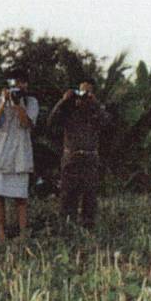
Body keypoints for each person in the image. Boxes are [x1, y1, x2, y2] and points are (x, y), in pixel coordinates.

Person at [49, 79, 112, 228]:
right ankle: (66, 228)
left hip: (90, 159)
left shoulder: (95, 114)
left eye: (87, 92)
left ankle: (88, 229)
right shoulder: (69, 112)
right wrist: (63, 101)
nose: (83, 96)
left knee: (90, 198)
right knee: (67, 198)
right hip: (71, 159)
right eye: (82, 92)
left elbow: (108, 124)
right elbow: (51, 122)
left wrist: (95, 104)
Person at [0, 75, 39, 241]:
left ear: (26, 84)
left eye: (21, 83)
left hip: (19, 156)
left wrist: (17, 105)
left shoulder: (31, 102)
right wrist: (3, 102)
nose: (18, 87)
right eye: (14, 84)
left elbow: (27, 124)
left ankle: (23, 234)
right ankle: (2, 234)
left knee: (20, 198)